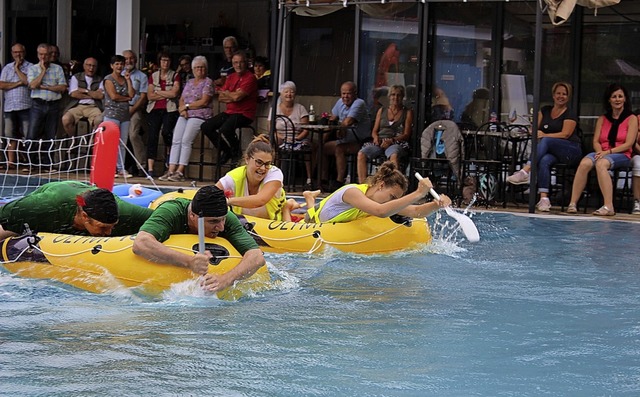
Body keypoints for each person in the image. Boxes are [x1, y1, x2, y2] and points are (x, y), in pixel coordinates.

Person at [132, 185, 266, 293]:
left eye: (223, 219)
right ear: (192, 216)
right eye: (213, 222)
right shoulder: (171, 211)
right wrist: (189, 261)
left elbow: (256, 256)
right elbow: (141, 243)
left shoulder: (227, 219)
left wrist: (225, 280)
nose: (221, 227)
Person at [506, 82, 582, 212]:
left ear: (568, 97)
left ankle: (525, 171)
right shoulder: (545, 110)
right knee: (544, 160)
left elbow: (566, 134)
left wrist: (544, 134)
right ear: (553, 95)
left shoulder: (570, 113)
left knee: (546, 140)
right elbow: (535, 128)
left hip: (571, 150)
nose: (561, 96)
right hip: (553, 152)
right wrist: (533, 131)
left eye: (564, 94)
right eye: (558, 93)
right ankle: (544, 199)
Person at [566, 83, 638, 216]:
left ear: (625, 99)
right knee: (584, 163)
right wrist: (600, 152)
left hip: (621, 154)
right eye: (614, 97)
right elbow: (596, 141)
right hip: (603, 151)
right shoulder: (603, 118)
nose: (617, 99)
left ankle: (608, 206)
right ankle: (573, 203)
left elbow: (629, 144)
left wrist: (607, 153)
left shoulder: (631, 118)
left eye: (620, 96)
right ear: (609, 100)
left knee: (601, 164)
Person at [0, 181, 153, 240]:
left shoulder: (125, 212)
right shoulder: (41, 206)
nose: (109, 233)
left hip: (89, 194)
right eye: (103, 227)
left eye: (112, 226)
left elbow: (165, 215)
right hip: (58, 194)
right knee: (8, 233)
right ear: (85, 216)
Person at [305, 161, 450, 223]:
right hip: (312, 223)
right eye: (392, 197)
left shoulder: (379, 200)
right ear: (381, 185)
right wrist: (418, 193)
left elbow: (415, 211)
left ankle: (310, 198)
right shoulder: (352, 192)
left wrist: (436, 205)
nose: (391, 202)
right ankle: (309, 199)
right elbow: (381, 211)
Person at [159, 56, 214, 182]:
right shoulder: (189, 82)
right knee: (176, 139)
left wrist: (187, 107)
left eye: (202, 67)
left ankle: (180, 171)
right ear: (193, 69)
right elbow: (182, 99)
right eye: (197, 67)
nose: (199, 70)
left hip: (200, 114)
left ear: (205, 69)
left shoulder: (208, 82)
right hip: (186, 114)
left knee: (186, 140)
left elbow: (204, 101)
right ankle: (171, 170)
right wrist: (182, 109)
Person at [200, 50, 258, 165]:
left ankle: (236, 154)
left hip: (245, 113)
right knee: (206, 126)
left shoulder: (250, 78)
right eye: (235, 62)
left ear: (246, 63)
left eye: (241, 62)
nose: (238, 65)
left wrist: (230, 94)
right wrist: (232, 95)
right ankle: (226, 151)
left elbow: (237, 98)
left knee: (225, 129)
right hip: (230, 112)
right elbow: (221, 97)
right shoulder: (230, 77)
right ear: (232, 64)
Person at [216, 134, 292, 220]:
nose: (263, 168)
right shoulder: (233, 177)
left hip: (273, 225)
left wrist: (228, 201)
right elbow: (210, 195)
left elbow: (260, 200)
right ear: (247, 159)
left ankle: (287, 208)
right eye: (259, 162)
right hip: (245, 225)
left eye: (267, 164)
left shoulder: (274, 173)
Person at [322, 81, 372, 192]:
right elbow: (332, 118)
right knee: (323, 147)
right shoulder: (340, 102)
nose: (345, 96)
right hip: (345, 140)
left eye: (348, 93)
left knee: (340, 149)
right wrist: (325, 134)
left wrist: (339, 129)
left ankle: (339, 182)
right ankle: (323, 180)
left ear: (355, 93)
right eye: (343, 93)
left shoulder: (359, 103)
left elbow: (348, 122)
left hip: (361, 141)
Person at [357, 84, 413, 183]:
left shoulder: (407, 112)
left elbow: (406, 134)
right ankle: (363, 185)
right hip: (380, 141)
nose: (395, 97)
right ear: (389, 96)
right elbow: (374, 131)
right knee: (362, 153)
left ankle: (393, 185)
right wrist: (375, 138)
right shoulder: (382, 110)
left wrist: (392, 140)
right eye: (393, 95)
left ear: (402, 97)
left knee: (394, 155)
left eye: (398, 95)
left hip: (396, 141)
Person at [26, 43, 68, 171]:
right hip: (38, 104)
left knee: (50, 135)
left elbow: (62, 87)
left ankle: (47, 164)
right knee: (32, 134)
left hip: (53, 104)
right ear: (38, 55)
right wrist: (43, 71)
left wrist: (45, 87)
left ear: (51, 55)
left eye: (46, 54)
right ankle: (31, 163)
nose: (43, 57)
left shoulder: (57, 69)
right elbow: (33, 85)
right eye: (41, 54)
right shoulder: (33, 68)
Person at [268, 80, 312, 187]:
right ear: (281, 94)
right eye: (286, 91)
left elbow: (306, 129)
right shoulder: (274, 109)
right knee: (273, 145)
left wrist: (297, 138)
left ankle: (309, 179)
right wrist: (282, 137)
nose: (289, 94)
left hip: (298, 138)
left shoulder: (300, 108)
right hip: (280, 137)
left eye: (291, 92)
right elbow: (271, 129)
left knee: (309, 147)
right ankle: (273, 176)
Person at [145, 51, 181, 177]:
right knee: (153, 135)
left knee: (167, 132)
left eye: (167, 60)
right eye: (163, 60)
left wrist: (158, 91)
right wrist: (166, 92)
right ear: (159, 62)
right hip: (154, 108)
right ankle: (150, 169)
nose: (165, 63)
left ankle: (168, 157)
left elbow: (174, 94)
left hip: (170, 109)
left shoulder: (175, 75)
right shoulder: (153, 75)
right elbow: (149, 95)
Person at [0, 43, 33, 170]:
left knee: (27, 134)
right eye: (15, 52)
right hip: (9, 106)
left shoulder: (30, 67)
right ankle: (11, 162)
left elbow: (28, 82)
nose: (17, 55)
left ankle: (28, 162)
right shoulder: (7, 67)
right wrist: (18, 83)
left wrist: (18, 69)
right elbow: (2, 85)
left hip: (25, 105)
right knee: (9, 134)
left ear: (24, 52)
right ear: (12, 53)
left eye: (20, 52)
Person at [102, 54, 135, 178]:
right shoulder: (108, 79)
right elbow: (113, 96)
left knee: (123, 142)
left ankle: (121, 168)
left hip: (124, 115)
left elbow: (132, 94)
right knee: (111, 142)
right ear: (112, 66)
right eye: (117, 64)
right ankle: (110, 168)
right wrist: (127, 98)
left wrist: (128, 80)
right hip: (112, 114)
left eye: (121, 64)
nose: (119, 66)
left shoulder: (125, 78)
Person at [122, 50, 149, 175]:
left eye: (131, 58)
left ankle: (141, 166)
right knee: (101, 123)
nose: (129, 61)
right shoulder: (118, 74)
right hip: (119, 108)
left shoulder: (142, 76)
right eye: (126, 58)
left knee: (133, 135)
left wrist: (131, 110)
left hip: (135, 109)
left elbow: (143, 97)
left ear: (136, 60)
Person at [61, 57, 104, 136]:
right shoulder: (76, 77)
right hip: (77, 106)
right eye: (89, 65)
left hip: (94, 107)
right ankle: (74, 140)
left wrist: (85, 91)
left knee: (100, 120)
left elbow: (100, 96)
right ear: (84, 66)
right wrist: (93, 94)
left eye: (94, 66)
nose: (91, 68)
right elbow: (74, 94)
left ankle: (92, 143)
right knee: (66, 119)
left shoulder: (100, 79)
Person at [632, 131, 640, 214]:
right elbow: (633, 142)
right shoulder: (635, 119)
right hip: (634, 154)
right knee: (639, 164)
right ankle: (637, 201)